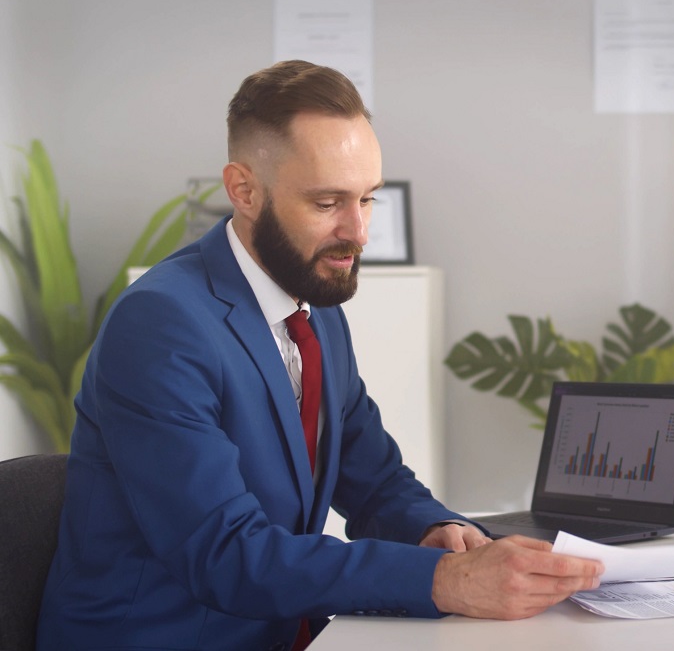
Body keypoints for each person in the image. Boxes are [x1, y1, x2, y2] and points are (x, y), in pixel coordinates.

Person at [37, 60, 602, 650]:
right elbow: (226, 553)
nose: (358, 232)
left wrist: (439, 531)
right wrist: (445, 582)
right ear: (244, 190)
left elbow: (375, 480)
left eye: (368, 199)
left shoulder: (315, 306)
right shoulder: (160, 325)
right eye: (328, 202)